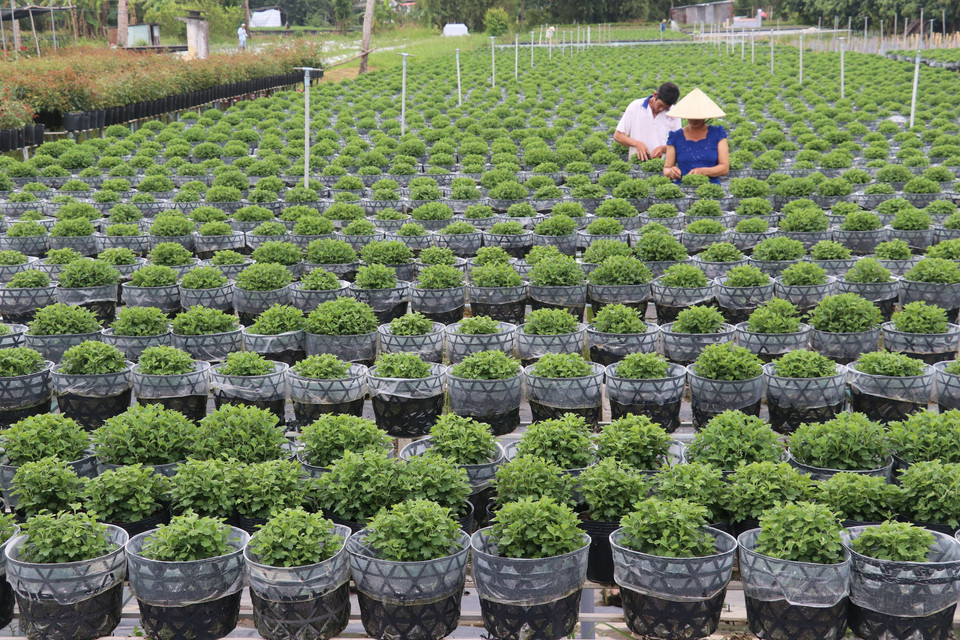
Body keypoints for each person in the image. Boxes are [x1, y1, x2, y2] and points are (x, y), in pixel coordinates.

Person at [662, 88, 729, 185]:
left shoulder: (718, 133)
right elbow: (666, 168)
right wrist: (671, 172)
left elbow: (724, 168)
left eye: (698, 116)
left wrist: (702, 171)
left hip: (711, 190)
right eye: (691, 115)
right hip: (683, 189)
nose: (694, 119)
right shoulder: (675, 136)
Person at [613, 82, 681, 162]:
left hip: (662, 165)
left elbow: (678, 143)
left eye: (666, 108)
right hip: (636, 164)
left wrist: (663, 149)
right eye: (660, 105)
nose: (661, 109)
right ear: (655, 95)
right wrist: (636, 144)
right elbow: (618, 135)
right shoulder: (636, 106)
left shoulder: (675, 113)